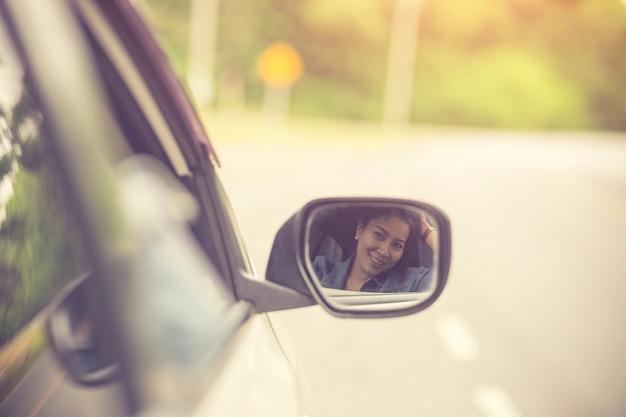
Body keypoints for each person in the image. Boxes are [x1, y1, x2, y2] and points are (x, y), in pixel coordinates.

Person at [312, 207, 437, 293]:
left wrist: (425, 228)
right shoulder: (320, 270)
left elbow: (456, 266)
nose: (384, 252)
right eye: (379, 235)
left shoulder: (415, 283)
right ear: (360, 229)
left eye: (397, 245)